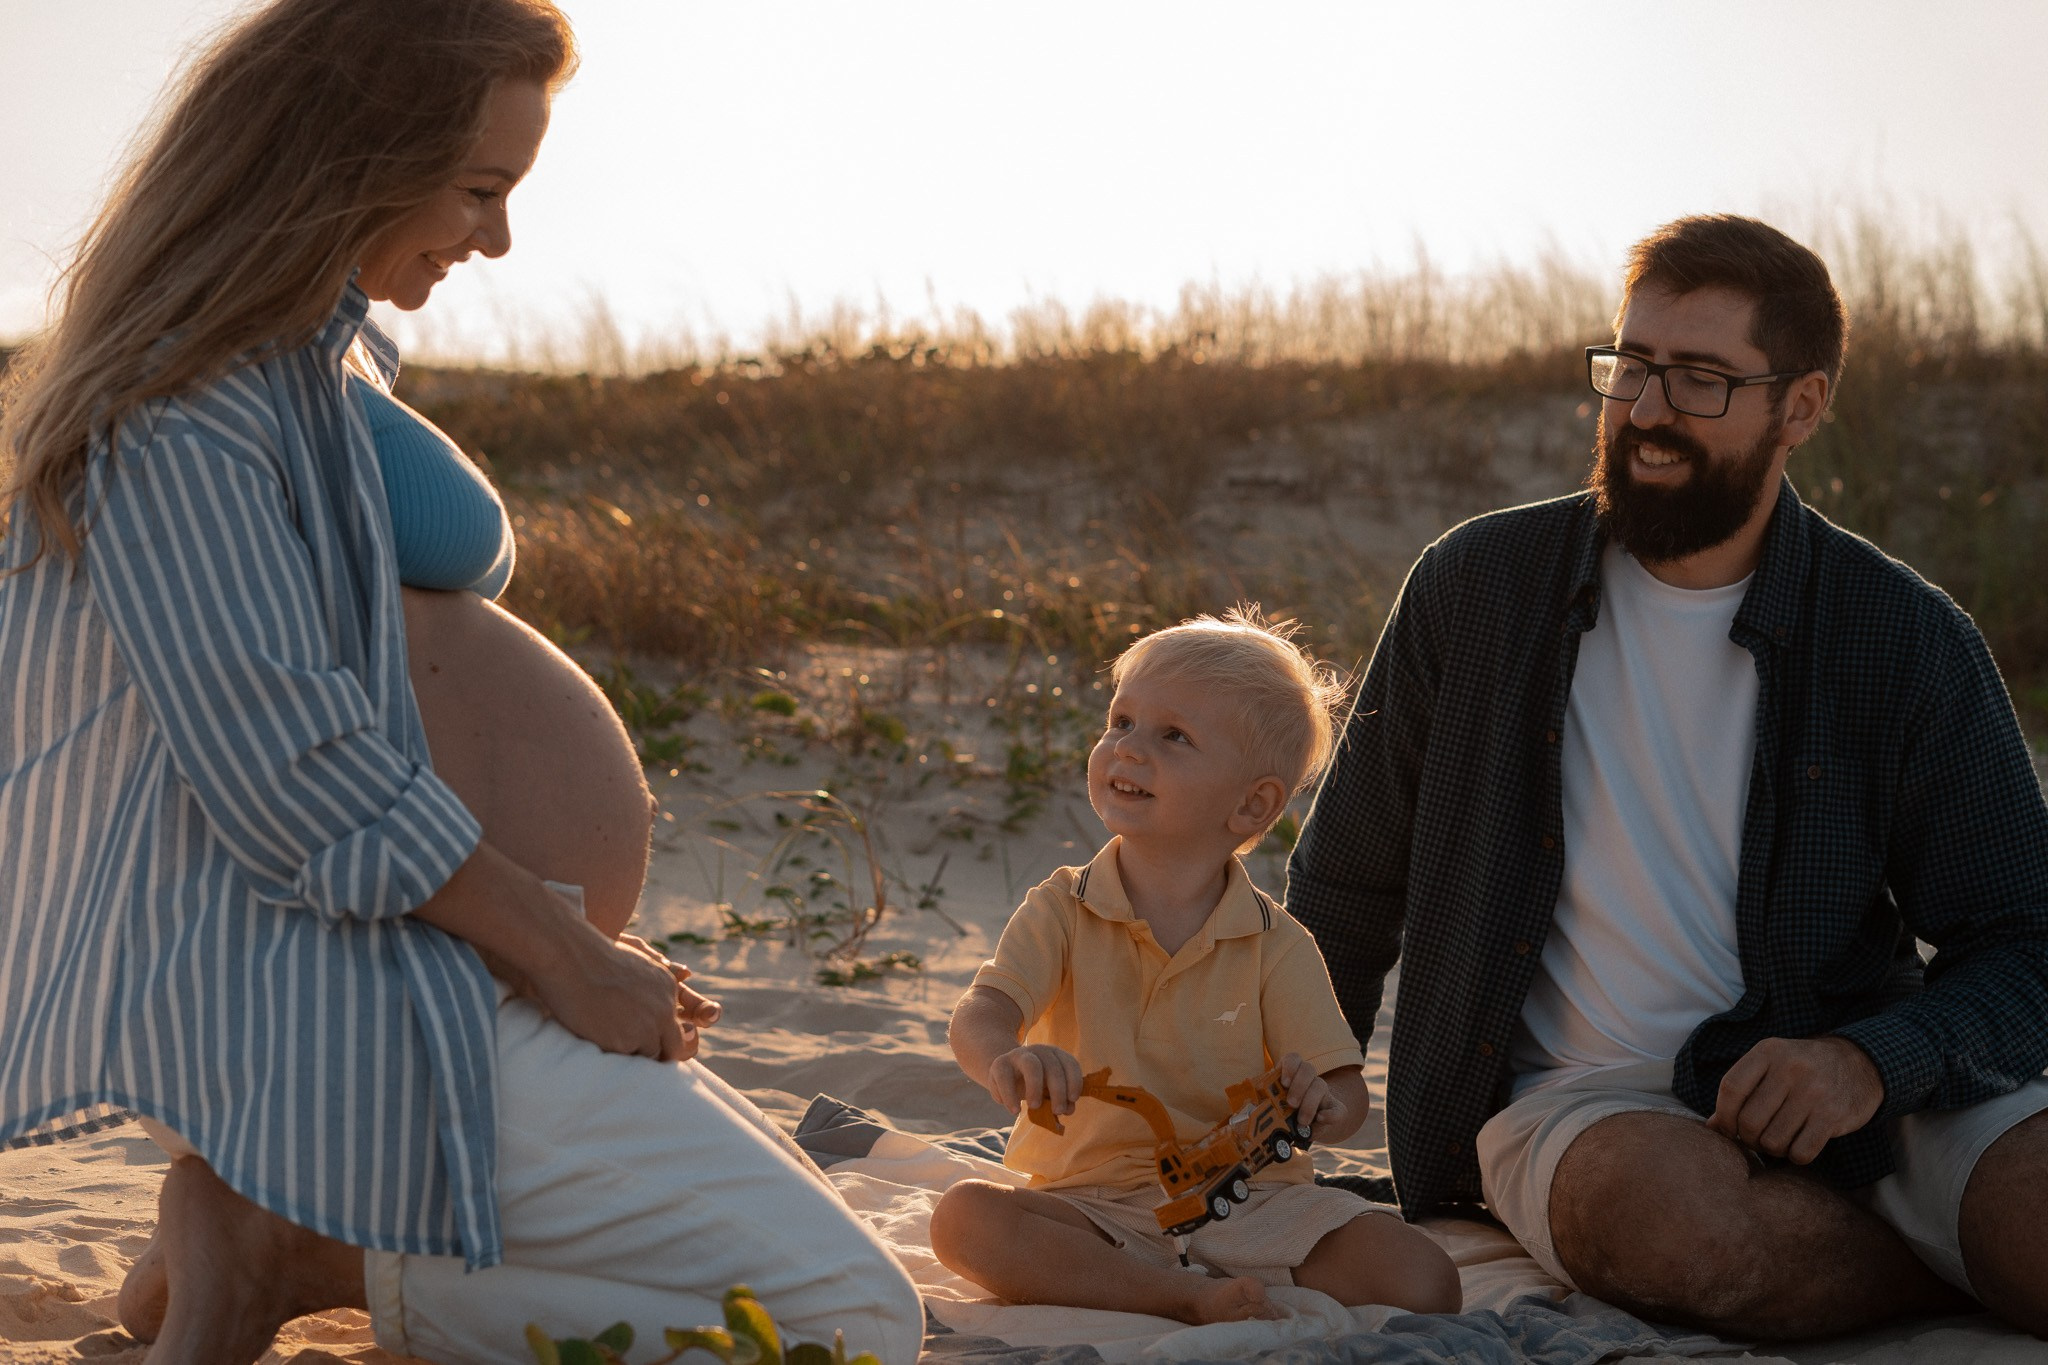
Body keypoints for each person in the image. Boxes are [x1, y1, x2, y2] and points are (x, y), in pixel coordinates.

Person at [0, 3, 923, 1363]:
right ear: (346, 160)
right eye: (480, 189)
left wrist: (552, 939)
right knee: (855, 1321)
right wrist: (559, 951)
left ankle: (282, 1244)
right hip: (324, 1009)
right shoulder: (181, 411)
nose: (496, 240)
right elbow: (292, 769)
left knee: (807, 1256)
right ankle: (295, 1248)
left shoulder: (302, 366)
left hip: (427, 964)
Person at [1286, 214, 2048, 1340]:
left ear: (1801, 406)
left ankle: (1926, 1247)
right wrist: (1266, 1115)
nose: (1645, 410)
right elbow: (1346, 884)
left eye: (1699, 379)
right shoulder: (1476, 587)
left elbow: (2026, 938)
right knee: (1673, 1228)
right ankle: (1946, 1277)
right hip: (1580, 1103)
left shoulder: (1900, 634)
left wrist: (1866, 1061)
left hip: (1852, 1082)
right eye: (1630, 364)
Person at [930, 610, 1462, 1323]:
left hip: (1254, 1202)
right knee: (966, 1220)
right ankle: (1181, 1296)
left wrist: (1322, 1104)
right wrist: (1006, 1055)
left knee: (1425, 1278)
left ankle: (1174, 1280)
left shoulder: (1276, 943)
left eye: (1173, 735)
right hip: (1091, 1205)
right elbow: (982, 1011)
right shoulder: (1062, 908)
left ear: (1253, 804)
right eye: (1121, 721)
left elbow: (1344, 1090)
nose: (1128, 747)